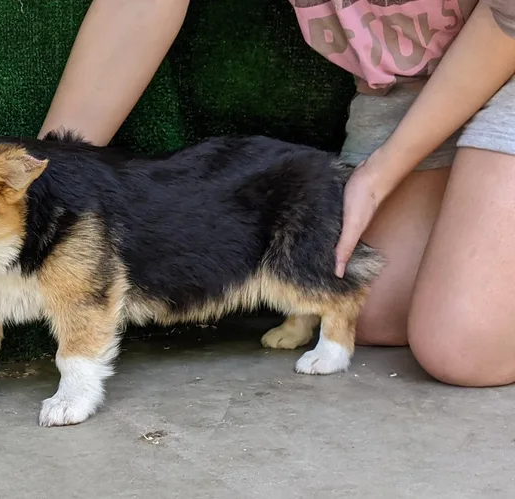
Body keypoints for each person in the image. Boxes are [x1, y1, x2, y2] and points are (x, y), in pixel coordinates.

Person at [38, 0, 515, 387]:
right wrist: (43, 180)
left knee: (463, 348)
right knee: (368, 309)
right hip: (407, 81)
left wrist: (381, 174)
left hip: (503, 40)